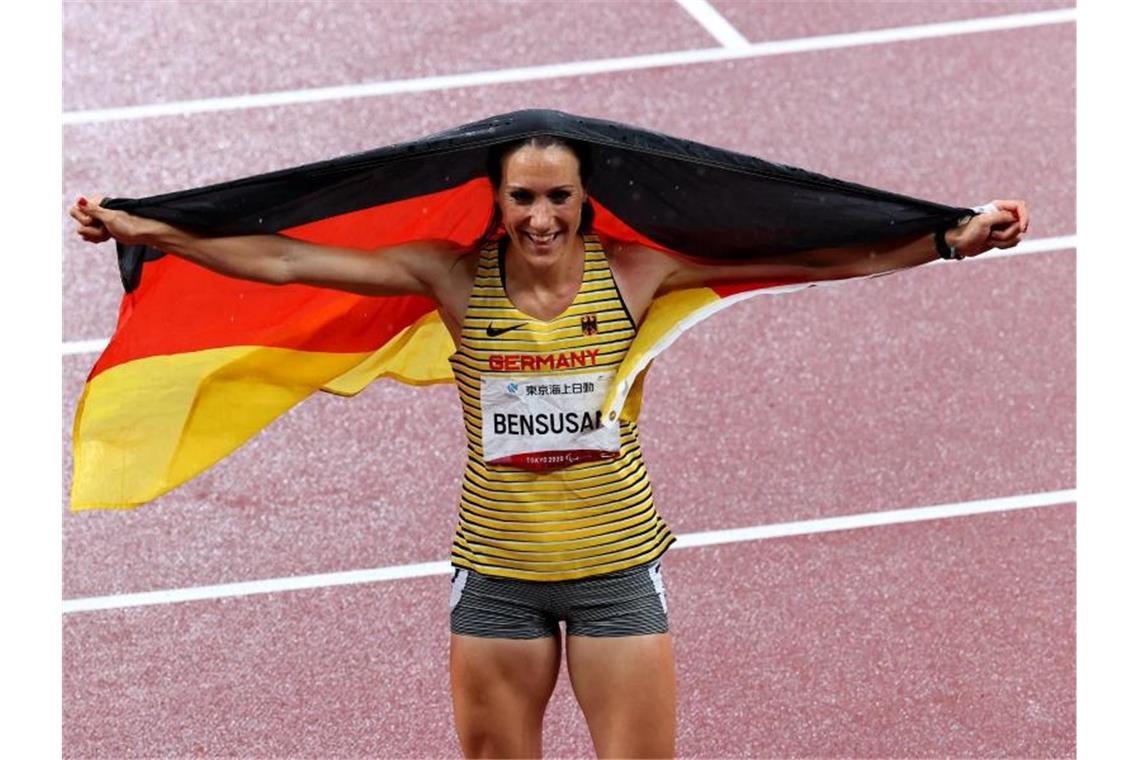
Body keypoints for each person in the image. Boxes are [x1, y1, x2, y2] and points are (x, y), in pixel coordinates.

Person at [70, 135, 1027, 759]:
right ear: (492, 201)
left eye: (558, 198)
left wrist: (947, 240)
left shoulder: (640, 271)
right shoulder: (449, 276)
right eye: (523, 198)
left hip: (616, 568)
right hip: (497, 574)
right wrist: (151, 227)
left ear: (583, 198)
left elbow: (817, 255)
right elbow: (282, 257)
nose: (541, 217)